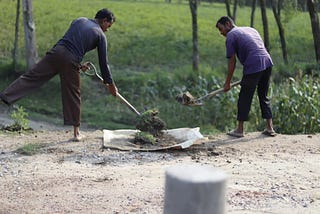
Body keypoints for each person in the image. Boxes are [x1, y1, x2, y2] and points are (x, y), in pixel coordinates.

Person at [0, 8, 118, 141]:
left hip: (56, 52)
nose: (107, 29)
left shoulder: (80, 20)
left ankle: (5, 96)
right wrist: (111, 84)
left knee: (31, 77)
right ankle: (76, 133)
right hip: (70, 59)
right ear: (104, 21)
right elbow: (104, 63)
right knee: (73, 93)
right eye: (108, 26)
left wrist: (78, 65)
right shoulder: (100, 35)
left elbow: (68, 44)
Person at [215, 16, 276, 138]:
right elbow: (257, 48)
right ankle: (270, 128)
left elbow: (232, 62)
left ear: (228, 24)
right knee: (263, 95)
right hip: (267, 62)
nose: (221, 33)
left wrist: (227, 83)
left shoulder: (231, 35)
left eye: (221, 29)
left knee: (244, 97)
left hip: (254, 65)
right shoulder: (250, 29)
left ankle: (240, 129)